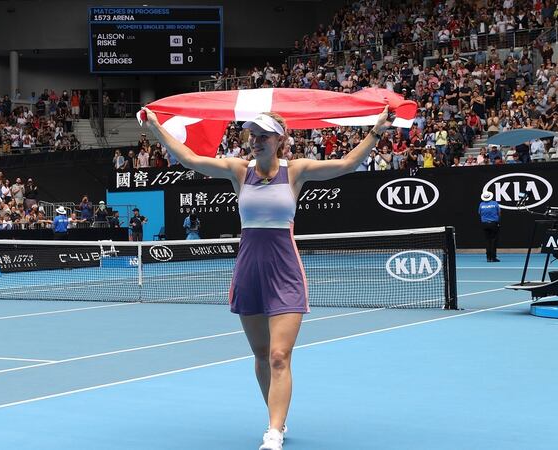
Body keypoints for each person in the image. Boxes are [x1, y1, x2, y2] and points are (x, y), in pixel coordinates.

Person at [142, 105, 390, 450]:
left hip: (285, 271)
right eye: (252, 135)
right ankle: (277, 418)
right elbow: (188, 158)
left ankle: (273, 432)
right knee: (261, 355)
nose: (255, 141)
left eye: (262, 136)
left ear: (279, 139)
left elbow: (347, 163)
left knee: (278, 356)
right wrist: (155, 126)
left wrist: (376, 130)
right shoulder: (238, 171)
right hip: (249, 271)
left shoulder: (296, 172)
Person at [479, 191, 501, 262]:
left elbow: (479, 213)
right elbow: (499, 213)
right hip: (493, 224)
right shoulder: (495, 203)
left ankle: (488, 258)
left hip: (485, 224)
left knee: (487, 241)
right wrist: (497, 220)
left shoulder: (481, 204)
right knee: (494, 241)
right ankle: (493, 257)